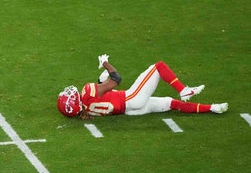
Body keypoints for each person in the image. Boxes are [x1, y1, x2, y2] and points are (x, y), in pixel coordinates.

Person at [56, 54, 229, 118]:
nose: (71, 92)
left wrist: (102, 81)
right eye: (69, 96)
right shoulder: (87, 92)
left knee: (171, 103)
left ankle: (213, 108)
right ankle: (184, 90)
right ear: (74, 103)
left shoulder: (86, 109)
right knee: (159, 67)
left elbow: (103, 94)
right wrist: (106, 63)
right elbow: (116, 79)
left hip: (131, 111)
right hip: (131, 99)